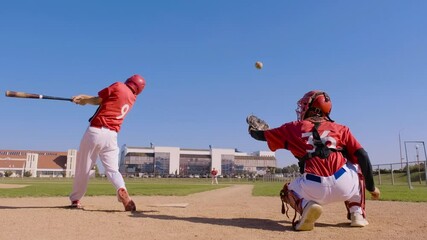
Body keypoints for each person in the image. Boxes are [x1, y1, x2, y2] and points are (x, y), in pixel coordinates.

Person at [248, 90, 380, 231]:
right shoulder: (341, 129)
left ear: (313, 108)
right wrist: (371, 188)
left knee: (288, 190)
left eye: (304, 105)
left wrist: (252, 130)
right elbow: (363, 156)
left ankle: (306, 207)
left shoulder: (293, 127)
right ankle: (357, 213)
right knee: (356, 164)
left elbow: (260, 135)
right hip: (344, 184)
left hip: (313, 185)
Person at [69, 74, 146, 211]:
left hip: (96, 131)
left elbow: (98, 100)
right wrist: (84, 99)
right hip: (112, 136)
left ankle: (76, 199)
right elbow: (104, 101)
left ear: (129, 80)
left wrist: (83, 99)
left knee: (84, 168)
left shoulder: (118, 86)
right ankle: (121, 189)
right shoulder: (132, 98)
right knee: (113, 170)